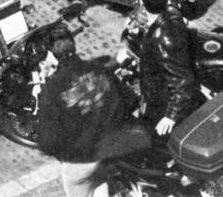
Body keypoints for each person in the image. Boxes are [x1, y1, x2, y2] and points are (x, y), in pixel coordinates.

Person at [36, 30, 150, 197]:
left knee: (79, 184)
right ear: (74, 47)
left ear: (50, 56)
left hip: (83, 156)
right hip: (112, 144)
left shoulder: (52, 87)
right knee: (98, 181)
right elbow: (130, 99)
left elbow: (47, 140)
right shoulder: (98, 68)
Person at [134, 0, 199, 135]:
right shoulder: (173, 12)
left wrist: (170, 116)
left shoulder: (162, 38)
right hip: (157, 91)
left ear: (142, 3)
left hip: (160, 102)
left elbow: (182, 80)